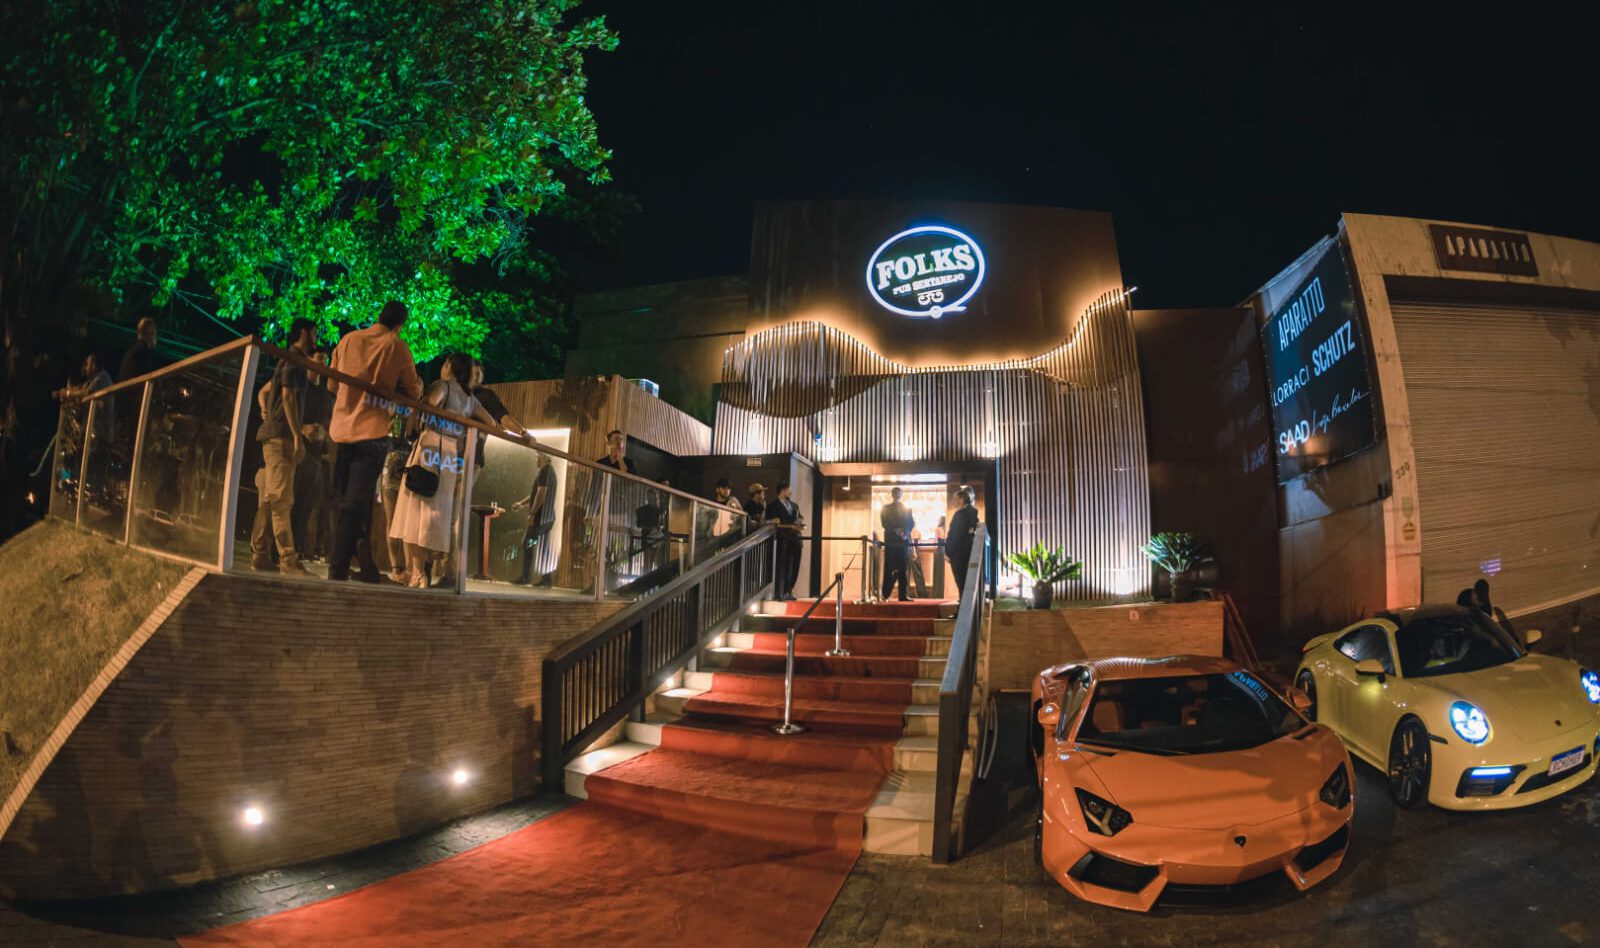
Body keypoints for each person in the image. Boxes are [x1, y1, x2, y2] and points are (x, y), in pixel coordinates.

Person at [327, 301, 424, 582]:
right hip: (373, 434)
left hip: (340, 430)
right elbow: (414, 392)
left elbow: (331, 384)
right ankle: (340, 567)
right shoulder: (397, 346)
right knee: (355, 503)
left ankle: (361, 557)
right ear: (400, 325)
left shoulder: (349, 339)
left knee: (340, 499)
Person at [388, 352, 498, 588]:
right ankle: (420, 572)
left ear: (450, 366)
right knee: (434, 515)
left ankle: (418, 573)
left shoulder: (443, 386)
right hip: (450, 455)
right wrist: (463, 427)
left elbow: (428, 405)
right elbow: (491, 423)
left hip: (430, 449)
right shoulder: (470, 399)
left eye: (446, 362)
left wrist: (427, 415)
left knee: (415, 511)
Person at [249, 319, 316, 575]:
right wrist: (297, 435)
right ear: (304, 333)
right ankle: (287, 559)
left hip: (275, 436)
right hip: (281, 438)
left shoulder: (289, 360)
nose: (316, 338)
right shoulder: (294, 360)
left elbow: (265, 391)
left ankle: (260, 553)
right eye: (314, 333)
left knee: (271, 497)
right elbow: (287, 397)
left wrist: (265, 409)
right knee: (281, 499)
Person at [513, 453, 558, 585]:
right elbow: (536, 493)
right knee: (543, 547)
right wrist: (522, 504)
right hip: (548, 518)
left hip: (540, 517)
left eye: (538, 457)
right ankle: (546, 578)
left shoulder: (545, 471)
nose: (536, 459)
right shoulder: (551, 472)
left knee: (528, 543)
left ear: (544, 458)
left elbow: (541, 493)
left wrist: (532, 514)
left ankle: (525, 577)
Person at [766, 480, 804, 600]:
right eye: (789, 490)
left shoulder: (794, 506)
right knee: (783, 565)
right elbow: (769, 522)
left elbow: (799, 517)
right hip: (782, 539)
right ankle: (781, 592)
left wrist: (799, 522)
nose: (790, 492)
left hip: (795, 539)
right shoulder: (772, 506)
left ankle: (789, 590)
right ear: (783, 490)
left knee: (795, 565)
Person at [880, 486, 914, 602]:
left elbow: (911, 523)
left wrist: (905, 532)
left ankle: (903, 595)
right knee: (889, 568)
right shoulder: (885, 508)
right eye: (895, 493)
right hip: (891, 542)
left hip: (903, 542)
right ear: (892, 494)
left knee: (903, 569)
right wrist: (896, 530)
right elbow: (884, 523)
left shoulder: (907, 509)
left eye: (899, 493)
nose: (897, 495)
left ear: (901, 495)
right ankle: (885, 594)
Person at [946, 487, 979, 595]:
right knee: (965, 580)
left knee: (961, 580)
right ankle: (963, 602)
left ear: (961, 499)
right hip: (968, 550)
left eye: (955, 499)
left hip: (958, 552)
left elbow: (955, 534)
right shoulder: (973, 512)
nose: (953, 501)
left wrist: (948, 551)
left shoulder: (960, 514)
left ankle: (963, 603)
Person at [1471, 579, 1520, 647]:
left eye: (1474, 591)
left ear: (1477, 594)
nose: (1471, 594)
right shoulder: (1485, 608)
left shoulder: (1481, 612)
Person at [117, 317, 163, 382]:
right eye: (155, 334)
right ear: (150, 333)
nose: (156, 338)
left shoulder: (131, 352)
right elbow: (147, 377)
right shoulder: (143, 352)